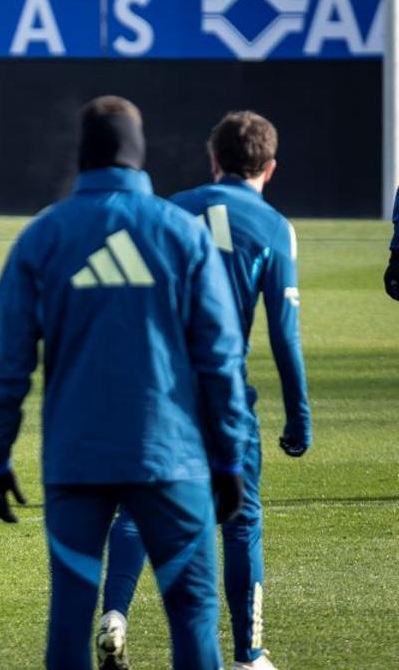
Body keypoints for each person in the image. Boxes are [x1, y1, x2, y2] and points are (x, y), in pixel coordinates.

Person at [0, 96, 251, 670]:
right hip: (172, 461)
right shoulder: (182, 234)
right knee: (194, 618)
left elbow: (8, 365)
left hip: (77, 461)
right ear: (139, 152)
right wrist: (230, 460)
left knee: (72, 616)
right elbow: (221, 362)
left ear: (83, 154)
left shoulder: (43, 237)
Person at [96, 111, 312, 670]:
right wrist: (299, 419)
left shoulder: (168, 210)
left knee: (138, 508)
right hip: (223, 395)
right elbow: (284, 340)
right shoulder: (271, 226)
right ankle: (249, 654)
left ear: (213, 159)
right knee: (241, 520)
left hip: (156, 388)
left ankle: (114, 614)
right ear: (270, 168)